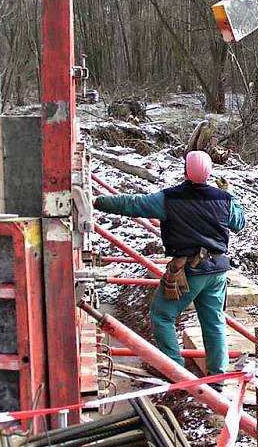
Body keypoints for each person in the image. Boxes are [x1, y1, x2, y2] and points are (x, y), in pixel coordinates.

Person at [93, 151, 245, 381]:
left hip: (189, 271)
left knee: (162, 315)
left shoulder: (169, 199)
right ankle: (217, 377)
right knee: (213, 320)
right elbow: (239, 223)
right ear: (210, 172)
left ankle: (175, 371)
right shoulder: (223, 200)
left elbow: (133, 205)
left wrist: (97, 202)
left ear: (185, 171)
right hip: (217, 270)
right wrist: (230, 194)